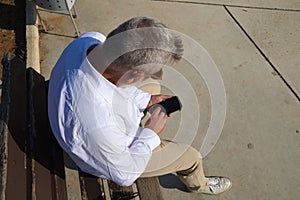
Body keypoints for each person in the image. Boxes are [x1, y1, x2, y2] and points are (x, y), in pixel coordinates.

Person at [48, 16, 231, 195]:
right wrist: (150, 134)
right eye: (154, 72)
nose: (158, 74)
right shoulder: (96, 124)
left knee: (152, 89)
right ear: (135, 74)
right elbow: (125, 174)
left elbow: (117, 86)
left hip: (87, 114)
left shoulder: (90, 40)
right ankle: (199, 185)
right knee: (191, 157)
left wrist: (147, 100)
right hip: (107, 154)